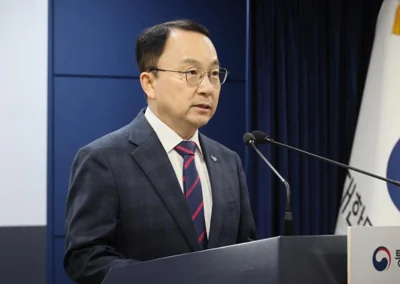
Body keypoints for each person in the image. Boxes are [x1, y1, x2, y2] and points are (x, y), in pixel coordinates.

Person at [63, 19, 257, 284]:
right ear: (149, 83)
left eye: (214, 74)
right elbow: (85, 258)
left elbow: (246, 250)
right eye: (191, 72)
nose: (207, 88)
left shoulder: (228, 161)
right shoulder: (103, 160)